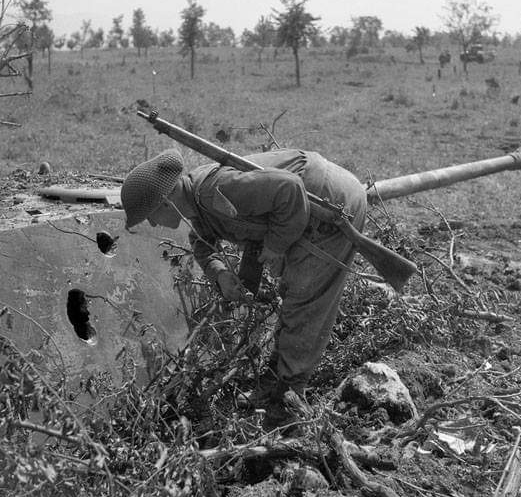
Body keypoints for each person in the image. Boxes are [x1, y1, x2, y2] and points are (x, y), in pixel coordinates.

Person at [120, 147, 367, 427]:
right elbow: (203, 241)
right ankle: (277, 382)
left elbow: (290, 189)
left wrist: (275, 247)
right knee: (294, 295)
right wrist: (222, 274)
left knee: (305, 300)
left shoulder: (215, 190)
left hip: (333, 206)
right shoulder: (197, 202)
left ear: (166, 201)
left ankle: (289, 398)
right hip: (310, 209)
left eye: (151, 215)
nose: (153, 223)